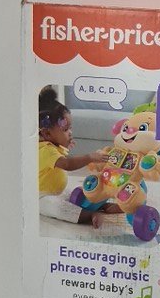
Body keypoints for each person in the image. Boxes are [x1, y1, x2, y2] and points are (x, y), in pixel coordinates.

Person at [38, 86, 111, 226]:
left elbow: (59, 155)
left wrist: (64, 145)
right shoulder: (45, 150)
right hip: (43, 195)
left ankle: (101, 205)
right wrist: (89, 157)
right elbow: (67, 164)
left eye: (70, 128)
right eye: (65, 129)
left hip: (58, 191)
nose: (70, 132)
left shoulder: (52, 145)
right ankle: (89, 215)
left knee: (79, 195)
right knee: (60, 208)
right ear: (47, 133)